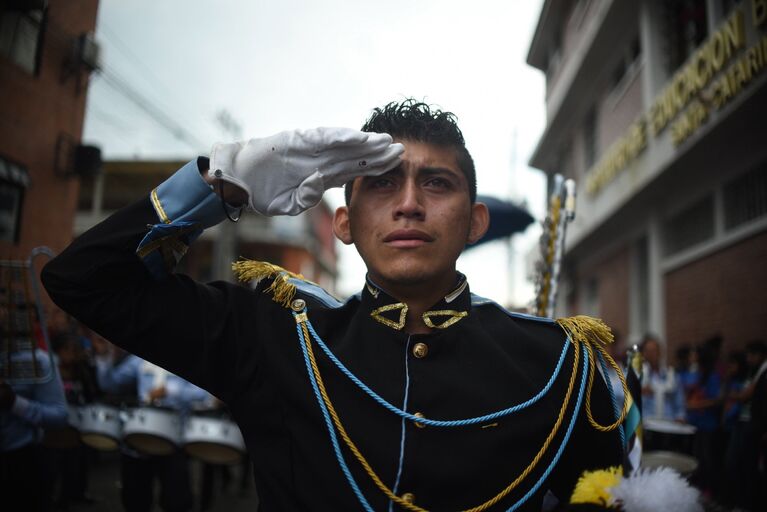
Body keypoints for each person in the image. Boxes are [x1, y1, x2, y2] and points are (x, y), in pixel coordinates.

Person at [41, 100, 624, 511]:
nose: (409, 205)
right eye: (382, 184)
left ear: (475, 222)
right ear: (343, 223)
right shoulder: (273, 336)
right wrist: (220, 186)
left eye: (437, 184)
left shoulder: (559, 366)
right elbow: (82, 281)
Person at [94, 336, 211, 512]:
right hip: (140, 437)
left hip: (173, 440)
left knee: (178, 501)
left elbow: (203, 394)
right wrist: (103, 358)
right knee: (135, 499)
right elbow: (111, 384)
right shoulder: (139, 359)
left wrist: (170, 391)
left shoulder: (187, 359)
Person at [639, 334, 686, 422]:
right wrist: (639, 391)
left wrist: (680, 417)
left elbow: (679, 401)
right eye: (648, 351)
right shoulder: (637, 375)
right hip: (647, 423)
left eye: (654, 350)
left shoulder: (671, 374)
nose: (651, 354)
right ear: (643, 354)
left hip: (669, 423)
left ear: (660, 352)